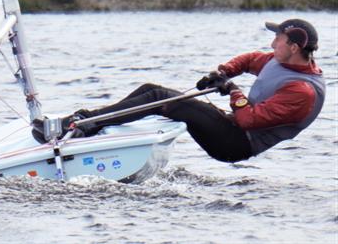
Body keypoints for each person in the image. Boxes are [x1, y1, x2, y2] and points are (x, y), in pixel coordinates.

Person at [32, 18, 325, 163]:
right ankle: (88, 123)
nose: (273, 44)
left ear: (295, 47)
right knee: (152, 90)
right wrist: (222, 73)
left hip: (237, 144)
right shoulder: (279, 60)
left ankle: (81, 125)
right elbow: (249, 60)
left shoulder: (302, 92)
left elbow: (248, 119)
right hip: (232, 125)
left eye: (278, 39)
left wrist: (232, 89)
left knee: (163, 100)